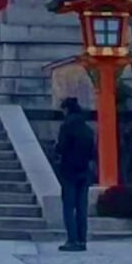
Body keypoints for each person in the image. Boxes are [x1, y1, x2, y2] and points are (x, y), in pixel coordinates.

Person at [53, 94, 97, 251]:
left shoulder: (66, 127)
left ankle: (71, 240)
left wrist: (56, 148)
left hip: (69, 170)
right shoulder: (88, 129)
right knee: (81, 207)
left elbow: (62, 148)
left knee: (68, 206)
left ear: (66, 109)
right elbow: (93, 152)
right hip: (84, 170)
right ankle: (82, 240)